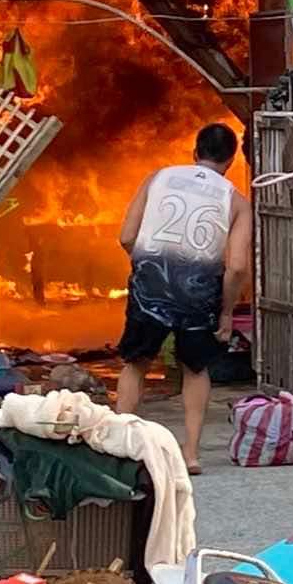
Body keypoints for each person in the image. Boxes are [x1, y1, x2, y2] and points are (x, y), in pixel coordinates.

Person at [114, 123, 253, 474]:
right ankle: (190, 454)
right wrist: (225, 312)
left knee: (136, 362)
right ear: (231, 160)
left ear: (195, 152)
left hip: (149, 287)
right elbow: (237, 267)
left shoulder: (158, 178)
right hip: (199, 291)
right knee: (196, 368)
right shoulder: (236, 201)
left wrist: (148, 263)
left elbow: (127, 235)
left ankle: (118, 448)